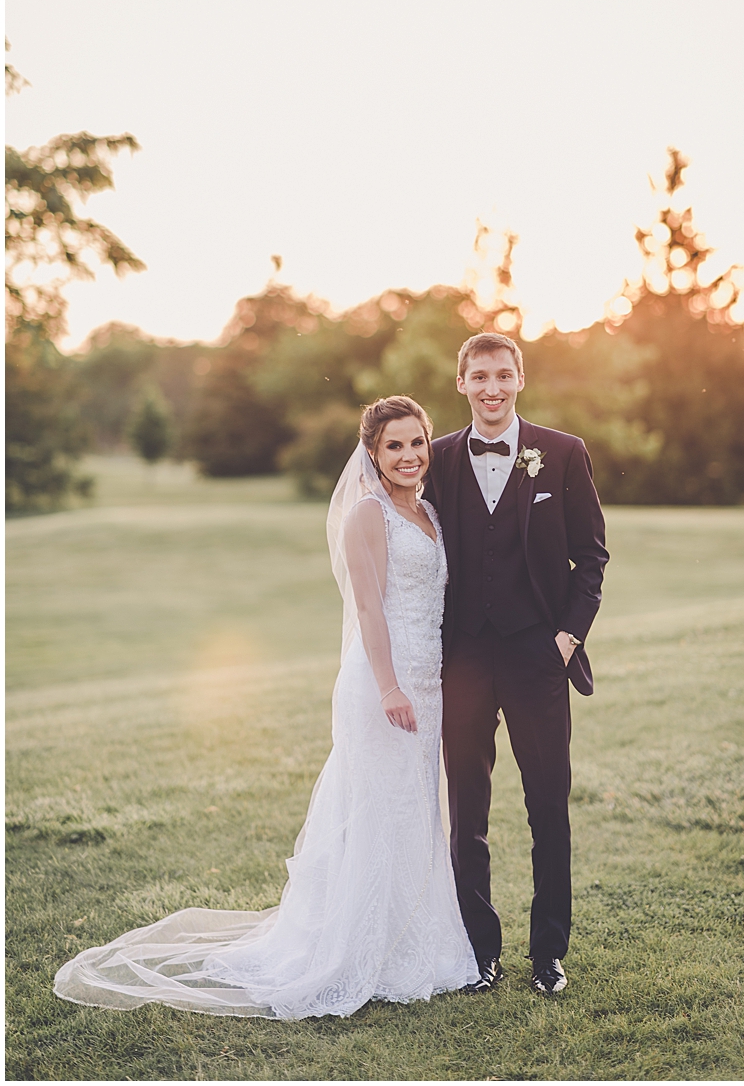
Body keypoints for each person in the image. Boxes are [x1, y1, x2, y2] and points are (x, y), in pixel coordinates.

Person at [54, 396, 480, 1018]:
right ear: (373, 452)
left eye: (418, 442)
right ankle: (355, 951)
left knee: (414, 807)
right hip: (386, 683)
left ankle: (413, 944)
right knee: (376, 808)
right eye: (394, 445)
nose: (410, 455)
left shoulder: (429, 513)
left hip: (429, 680)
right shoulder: (368, 514)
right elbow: (369, 610)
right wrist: (390, 687)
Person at [422, 332, 608, 996]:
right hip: (464, 657)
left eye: (503, 374)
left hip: (538, 655)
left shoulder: (561, 453)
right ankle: (479, 953)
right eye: (480, 376)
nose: (492, 387)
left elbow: (591, 557)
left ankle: (548, 953)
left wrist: (565, 639)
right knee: (467, 809)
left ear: (519, 379)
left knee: (547, 805)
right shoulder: (436, 459)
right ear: (462, 382)